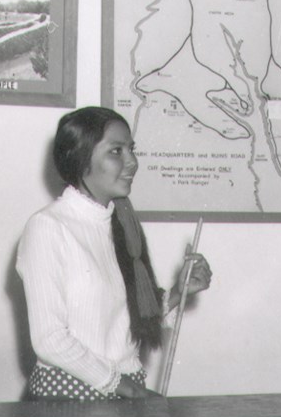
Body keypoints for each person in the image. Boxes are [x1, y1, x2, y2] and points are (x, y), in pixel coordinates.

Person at [16, 106, 211, 401]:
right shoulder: (48, 227)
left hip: (124, 389)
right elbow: (49, 339)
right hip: (70, 399)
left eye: (131, 150)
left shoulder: (121, 222)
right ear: (80, 159)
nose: (132, 162)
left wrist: (178, 293)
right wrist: (125, 388)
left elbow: (124, 323)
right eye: (116, 151)